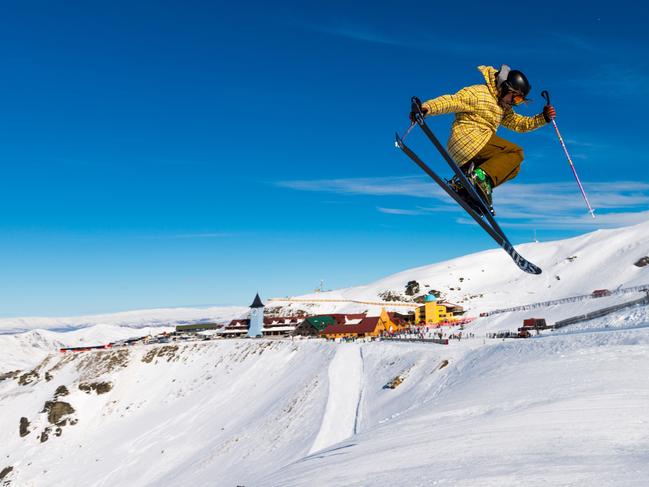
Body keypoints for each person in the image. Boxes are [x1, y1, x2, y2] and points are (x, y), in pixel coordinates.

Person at [409, 64, 556, 212]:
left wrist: (543, 118)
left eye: (518, 101)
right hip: (469, 139)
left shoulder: (502, 107)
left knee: (512, 168)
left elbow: (519, 124)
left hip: (462, 155)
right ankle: (479, 179)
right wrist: (425, 108)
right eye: (515, 97)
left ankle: (466, 187)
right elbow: (452, 101)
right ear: (505, 87)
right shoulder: (480, 93)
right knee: (515, 153)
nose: (513, 102)